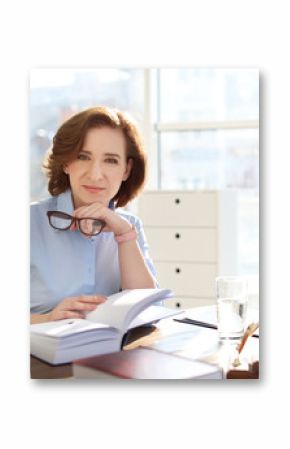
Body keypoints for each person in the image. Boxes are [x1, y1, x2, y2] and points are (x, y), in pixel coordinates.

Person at [30, 106, 158, 324]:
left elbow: (149, 313)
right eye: (83, 157)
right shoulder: (27, 223)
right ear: (66, 163)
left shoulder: (129, 225)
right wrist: (48, 319)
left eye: (110, 160)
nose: (95, 174)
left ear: (126, 170)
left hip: (107, 354)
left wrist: (125, 236)